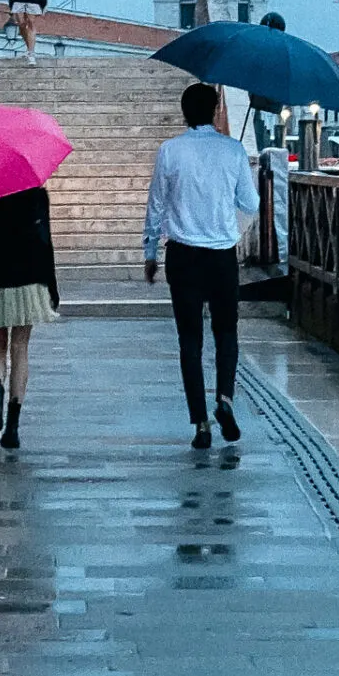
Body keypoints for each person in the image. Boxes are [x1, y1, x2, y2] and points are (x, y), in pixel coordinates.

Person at [144, 82, 259, 448]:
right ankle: (224, 397)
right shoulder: (234, 150)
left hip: (184, 255)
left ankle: (201, 424)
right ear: (214, 111)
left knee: (189, 339)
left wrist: (151, 252)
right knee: (227, 333)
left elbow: (156, 205)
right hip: (222, 255)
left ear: (184, 113)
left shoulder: (170, 151)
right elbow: (251, 203)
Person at [0, 181, 60, 447]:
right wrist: (52, 285)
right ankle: (13, 428)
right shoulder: (36, 194)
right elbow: (45, 240)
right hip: (30, 277)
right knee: (20, 347)